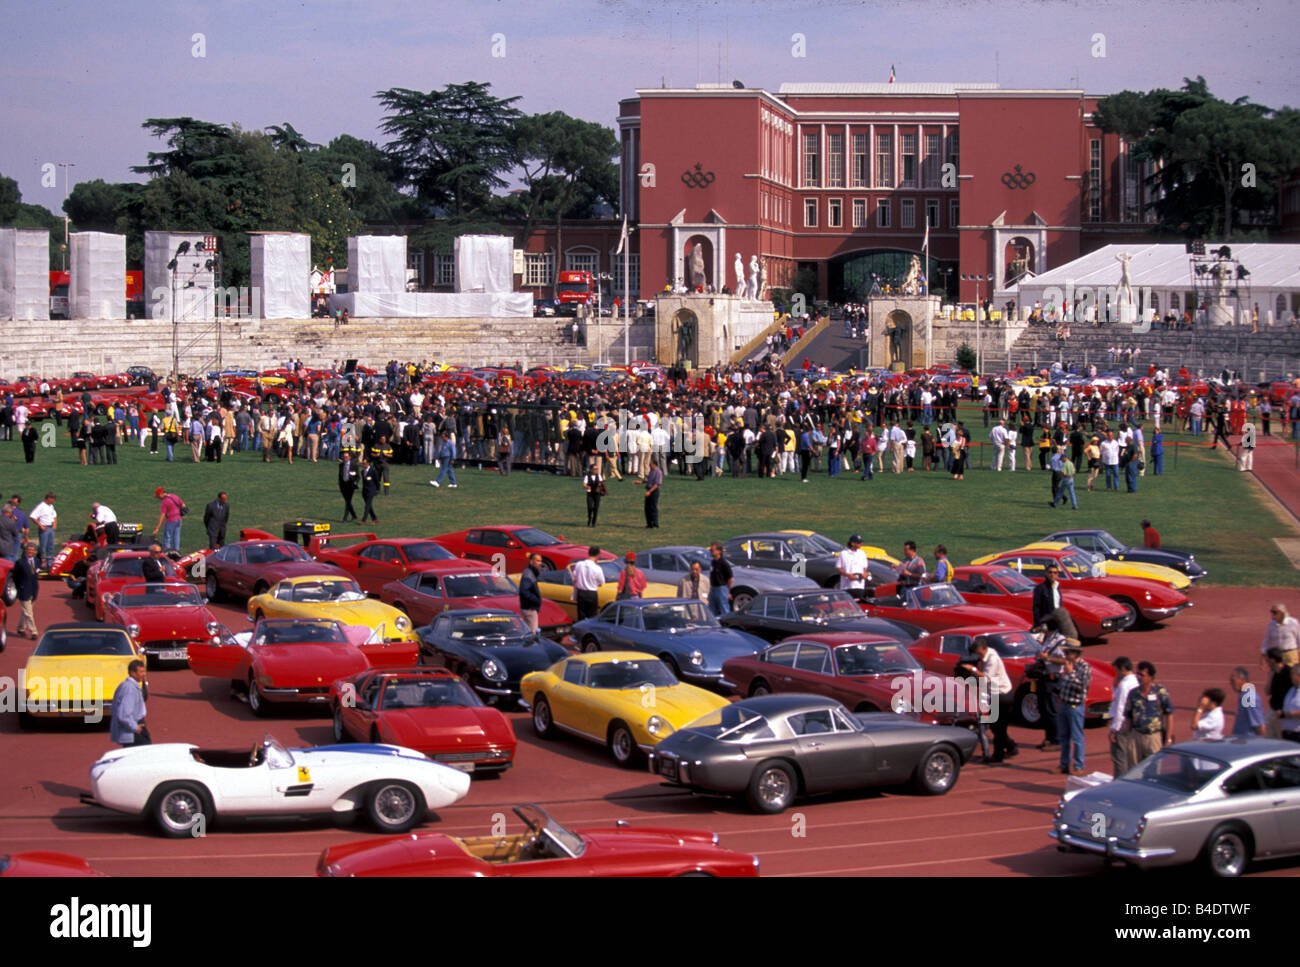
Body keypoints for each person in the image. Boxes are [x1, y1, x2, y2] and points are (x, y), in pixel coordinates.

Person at [969, 636, 1016, 763]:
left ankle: (998, 755)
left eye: (979, 653)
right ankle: (1010, 746)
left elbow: (987, 678)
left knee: (999, 726)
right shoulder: (988, 656)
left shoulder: (992, 659)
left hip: (1002, 694)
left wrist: (972, 669)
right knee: (996, 726)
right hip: (996, 694)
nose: (978, 656)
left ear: (984, 649)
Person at [1123, 661, 1174, 765]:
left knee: (1154, 768)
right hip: (1136, 736)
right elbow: (1128, 716)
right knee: (1134, 770)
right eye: (1137, 674)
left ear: (1150, 677)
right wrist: (1128, 738)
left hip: (1153, 737)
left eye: (1142, 675)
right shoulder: (1133, 693)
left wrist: (1168, 738)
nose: (1138, 677)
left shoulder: (1160, 692)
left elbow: (1169, 714)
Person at [1056, 641, 1091, 775]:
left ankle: (1078, 766)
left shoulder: (1084, 667)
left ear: (1075, 653)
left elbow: (1081, 687)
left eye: (1068, 652)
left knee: (1077, 737)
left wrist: (1071, 673)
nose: (1065, 655)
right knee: (1064, 736)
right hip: (1064, 704)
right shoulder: (1068, 665)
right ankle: (1064, 764)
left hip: (1075, 706)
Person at [1031, 563, 1079, 639]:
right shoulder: (1040, 588)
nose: (1052, 574)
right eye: (1050, 572)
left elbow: (1059, 604)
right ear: (1046, 574)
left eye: (1055, 573)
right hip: (1047, 619)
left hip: (1058, 619)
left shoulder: (1057, 587)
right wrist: (1038, 624)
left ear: (1057, 574)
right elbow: (1036, 608)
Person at [1108, 656, 1138, 775]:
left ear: (1123, 670)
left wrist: (1114, 729)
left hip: (1122, 724)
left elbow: (1120, 708)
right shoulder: (1136, 682)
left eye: (1117, 671)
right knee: (1130, 755)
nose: (1116, 673)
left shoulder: (1124, 686)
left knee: (1119, 756)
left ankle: (1119, 782)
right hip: (1133, 723)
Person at [110, 660, 150, 747]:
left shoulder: (128, 686)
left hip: (132, 730)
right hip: (133, 731)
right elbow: (123, 714)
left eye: (144, 671)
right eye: (141, 672)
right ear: (132, 673)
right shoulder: (129, 689)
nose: (144, 674)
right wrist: (135, 727)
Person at [1260, 602, 1300, 669]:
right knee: (1276, 676)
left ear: (1282, 613)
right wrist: (1263, 656)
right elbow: (1266, 640)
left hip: (1290, 655)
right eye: (1272, 612)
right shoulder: (1271, 624)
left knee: (1291, 677)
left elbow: (1299, 639)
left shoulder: (1293, 623)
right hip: (1277, 655)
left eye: (1275, 612)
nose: (1272, 614)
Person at [1229, 666, 1266, 736]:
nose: (1231, 683)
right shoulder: (1244, 695)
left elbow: (1259, 725)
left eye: (1233, 680)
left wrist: (1262, 743)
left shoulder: (1249, 697)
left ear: (1242, 680)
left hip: (1248, 741)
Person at [14, 542, 40, 639]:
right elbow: (15, 577)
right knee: (29, 613)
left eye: (32, 550)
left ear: (34, 552)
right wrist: (19, 587)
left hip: (34, 589)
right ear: (25, 551)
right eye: (28, 550)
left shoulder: (37, 561)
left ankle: (21, 628)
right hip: (24, 589)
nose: (30, 552)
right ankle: (34, 632)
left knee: (27, 611)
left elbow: (36, 574)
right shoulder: (20, 562)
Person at [572, 546, 605, 620]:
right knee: (592, 616)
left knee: (581, 615)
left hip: (581, 593)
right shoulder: (597, 568)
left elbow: (574, 576)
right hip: (591, 593)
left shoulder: (579, 564)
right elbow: (601, 582)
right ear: (598, 555)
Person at [151, 487, 185, 553]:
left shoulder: (164, 502)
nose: (158, 498)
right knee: (176, 537)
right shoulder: (174, 496)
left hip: (171, 520)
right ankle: (177, 552)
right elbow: (183, 505)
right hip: (179, 519)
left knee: (167, 537)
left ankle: (167, 553)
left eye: (158, 496)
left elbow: (162, 515)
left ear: (161, 494)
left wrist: (157, 528)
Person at [30, 491, 57, 572]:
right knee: (43, 547)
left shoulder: (51, 506)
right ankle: (41, 564)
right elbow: (32, 516)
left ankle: (49, 564)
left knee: (50, 546)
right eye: (52, 499)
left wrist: (55, 523)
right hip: (44, 528)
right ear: (48, 498)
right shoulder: (41, 506)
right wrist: (40, 525)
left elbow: (54, 515)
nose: (53, 501)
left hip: (50, 528)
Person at [518, 553, 544, 633]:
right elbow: (524, 591)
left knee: (528, 631)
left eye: (540, 561)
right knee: (532, 632)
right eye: (537, 561)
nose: (540, 563)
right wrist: (536, 600)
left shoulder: (532, 572)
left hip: (530, 607)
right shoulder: (528, 574)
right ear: (531, 561)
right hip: (529, 608)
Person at [708, 543, 734, 616]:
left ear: (719, 551)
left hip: (721, 588)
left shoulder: (724, 563)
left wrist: (729, 591)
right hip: (713, 588)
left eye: (712, 550)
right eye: (710, 550)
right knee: (712, 609)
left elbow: (731, 579)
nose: (710, 552)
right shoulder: (713, 562)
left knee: (724, 608)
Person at [1279, 665, 1300, 742]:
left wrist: (1291, 714)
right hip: (1287, 734)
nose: (1290, 677)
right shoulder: (1291, 689)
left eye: (1292, 674)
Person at [583, 459, 604, 528]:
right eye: (595, 469)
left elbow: (601, 483)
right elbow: (584, 484)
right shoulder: (587, 476)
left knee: (596, 508)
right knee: (589, 507)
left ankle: (593, 522)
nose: (596, 470)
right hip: (590, 494)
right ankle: (589, 519)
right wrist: (588, 487)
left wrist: (600, 487)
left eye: (597, 469)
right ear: (591, 469)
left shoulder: (599, 476)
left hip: (597, 494)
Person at [339, 452, 360, 522]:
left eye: (346, 457)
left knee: (348, 501)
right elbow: (340, 475)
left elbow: (358, 477)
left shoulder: (354, 465)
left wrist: (355, 482)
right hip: (343, 485)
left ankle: (345, 518)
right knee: (347, 501)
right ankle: (354, 515)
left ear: (349, 457)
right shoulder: (341, 465)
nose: (345, 458)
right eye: (344, 457)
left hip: (350, 485)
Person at [360, 456, 381, 522]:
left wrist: (377, 489)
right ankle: (374, 518)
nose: (363, 465)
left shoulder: (373, 471)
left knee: (367, 506)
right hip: (365, 491)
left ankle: (363, 520)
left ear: (368, 463)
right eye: (363, 463)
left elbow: (377, 481)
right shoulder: (362, 471)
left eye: (365, 463)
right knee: (368, 506)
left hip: (371, 490)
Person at [644, 455, 662, 528]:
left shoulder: (658, 472)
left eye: (650, 463)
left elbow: (657, 484)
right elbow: (649, 480)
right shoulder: (651, 471)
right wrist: (640, 482)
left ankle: (655, 524)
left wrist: (649, 492)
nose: (649, 464)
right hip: (649, 490)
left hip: (654, 492)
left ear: (654, 464)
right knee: (647, 508)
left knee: (653, 508)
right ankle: (649, 523)